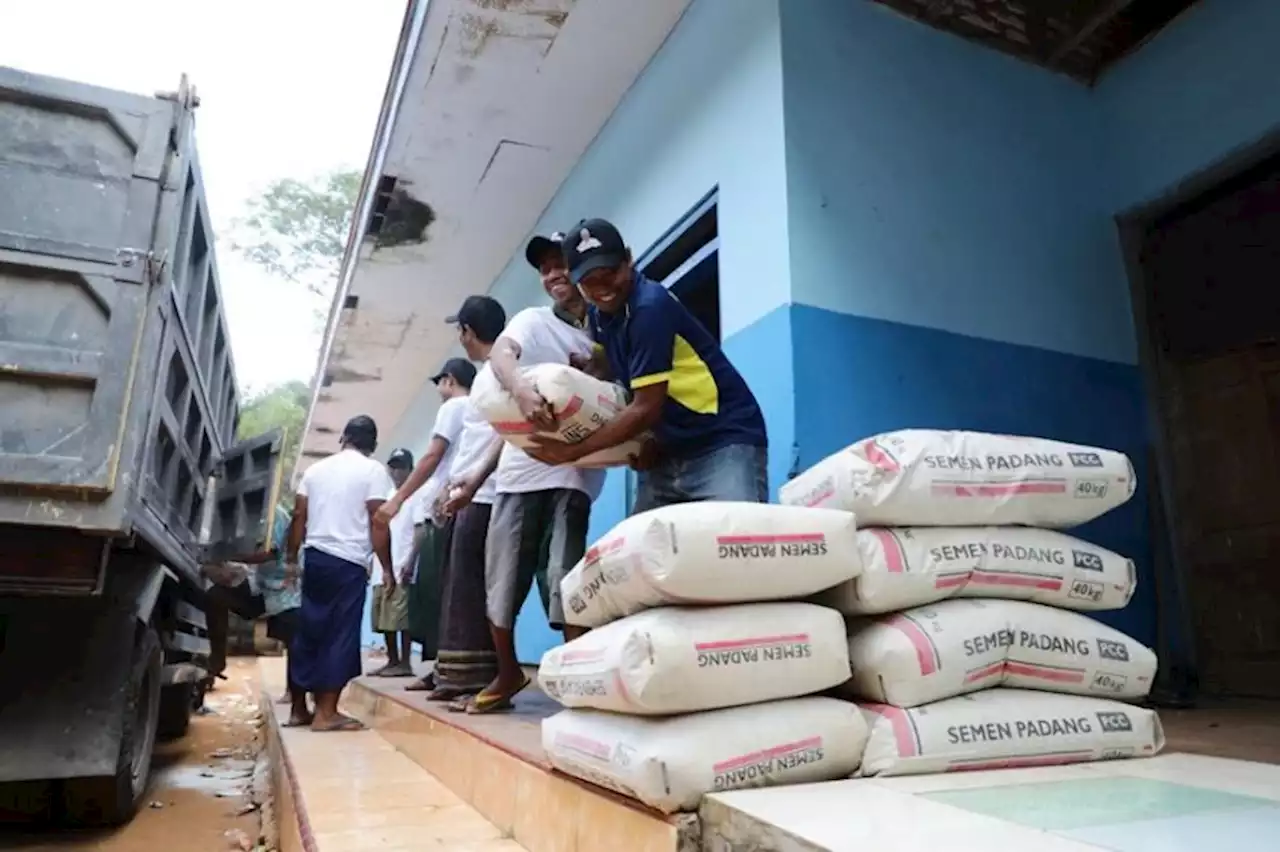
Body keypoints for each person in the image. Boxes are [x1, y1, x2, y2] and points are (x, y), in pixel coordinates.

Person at [448, 234, 601, 714]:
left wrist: (597, 363)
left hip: (573, 474)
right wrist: (474, 481)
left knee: (565, 578)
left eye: (562, 265)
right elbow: (501, 360)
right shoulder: (532, 322)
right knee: (502, 581)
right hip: (518, 474)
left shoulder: (602, 329)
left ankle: (579, 677)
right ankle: (508, 671)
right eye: (546, 268)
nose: (554, 274)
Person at [530, 218, 768, 511]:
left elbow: (645, 408)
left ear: (628, 259)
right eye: (590, 281)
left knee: (735, 545)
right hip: (667, 452)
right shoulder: (602, 314)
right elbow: (608, 362)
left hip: (722, 441)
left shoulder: (649, 307)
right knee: (642, 554)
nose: (603, 288)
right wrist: (567, 384)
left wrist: (572, 452)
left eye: (610, 273)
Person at [286, 415, 394, 732]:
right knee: (340, 634)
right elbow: (378, 521)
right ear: (372, 445)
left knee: (309, 630)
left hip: (315, 558)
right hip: (348, 563)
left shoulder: (316, 470)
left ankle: (298, 710)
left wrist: (292, 560)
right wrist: (386, 566)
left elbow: (298, 516)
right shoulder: (373, 471)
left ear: (343, 438)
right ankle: (326, 714)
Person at [425, 295, 507, 702]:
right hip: (470, 492)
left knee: (472, 588)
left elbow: (504, 436)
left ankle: (474, 678)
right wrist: (454, 483)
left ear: (467, 333)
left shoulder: (500, 373)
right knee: (461, 587)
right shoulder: (486, 379)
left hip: (485, 494)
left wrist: (471, 484)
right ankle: (455, 675)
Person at [377, 358, 476, 691]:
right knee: (453, 592)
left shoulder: (454, 407)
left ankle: (445, 671)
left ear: (449, 380)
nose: (438, 391)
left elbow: (433, 457)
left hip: (443, 511)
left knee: (439, 595)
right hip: (460, 503)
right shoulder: (477, 409)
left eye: (440, 383)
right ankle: (446, 669)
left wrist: (399, 498)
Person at [368, 449, 419, 677]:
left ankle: (405, 662)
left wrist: (410, 561)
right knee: (384, 617)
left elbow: (420, 532)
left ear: (410, 469)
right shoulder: (386, 496)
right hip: (382, 567)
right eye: (393, 467)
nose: (397, 472)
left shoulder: (415, 496)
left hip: (402, 566)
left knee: (402, 618)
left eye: (401, 467)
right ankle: (392, 660)